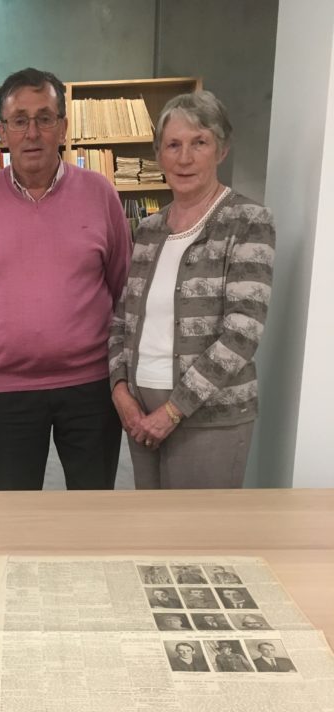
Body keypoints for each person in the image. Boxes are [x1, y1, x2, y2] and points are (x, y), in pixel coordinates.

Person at [0, 67, 131, 491]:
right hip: (7, 391)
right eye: (20, 120)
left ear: (62, 126)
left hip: (91, 387)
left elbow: (124, 290)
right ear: (3, 131)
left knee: (93, 507)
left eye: (45, 118)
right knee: (14, 516)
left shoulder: (101, 195)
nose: (33, 132)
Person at [109, 90, 275, 489]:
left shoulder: (247, 221)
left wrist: (172, 411)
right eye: (173, 145)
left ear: (221, 149)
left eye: (199, 142)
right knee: (152, 533)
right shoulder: (148, 230)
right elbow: (121, 317)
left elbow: (242, 333)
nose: (184, 158)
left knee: (199, 538)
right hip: (139, 409)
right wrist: (120, 391)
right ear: (159, 155)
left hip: (210, 415)